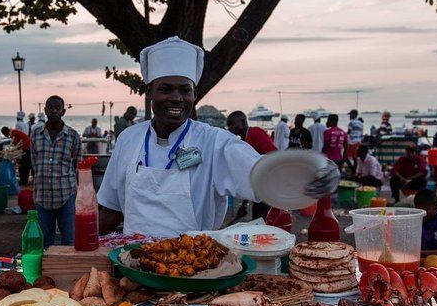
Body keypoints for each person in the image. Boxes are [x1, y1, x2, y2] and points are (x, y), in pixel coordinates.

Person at [97, 36, 339, 237]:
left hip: (195, 270)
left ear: (194, 94)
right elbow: (110, 208)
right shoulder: (129, 139)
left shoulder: (214, 142)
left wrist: (311, 173)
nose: (176, 98)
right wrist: (81, 248)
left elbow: (260, 174)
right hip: (130, 268)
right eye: (165, 89)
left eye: (185, 90)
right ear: (149, 92)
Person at [30, 95, 82, 246]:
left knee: (69, 240)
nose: (53, 111)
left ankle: (67, 269)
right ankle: (47, 269)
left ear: (63, 111)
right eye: (50, 107)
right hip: (42, 195)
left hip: (67, 194)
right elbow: (34, 163)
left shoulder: (72, 135)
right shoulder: (35, 134)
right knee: (44, 241)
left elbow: (77, 166)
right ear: (45, 110)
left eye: (57, 108)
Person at [227, 111, 277, 221]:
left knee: (262, 221)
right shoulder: (244, 141)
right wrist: (244, 204)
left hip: (267, 187)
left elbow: (275, 155)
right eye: (228, 125)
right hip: (258, 189)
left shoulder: (255, 133)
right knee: (257, 220)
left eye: (232, 124)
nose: (229, 128)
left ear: (243, 121)